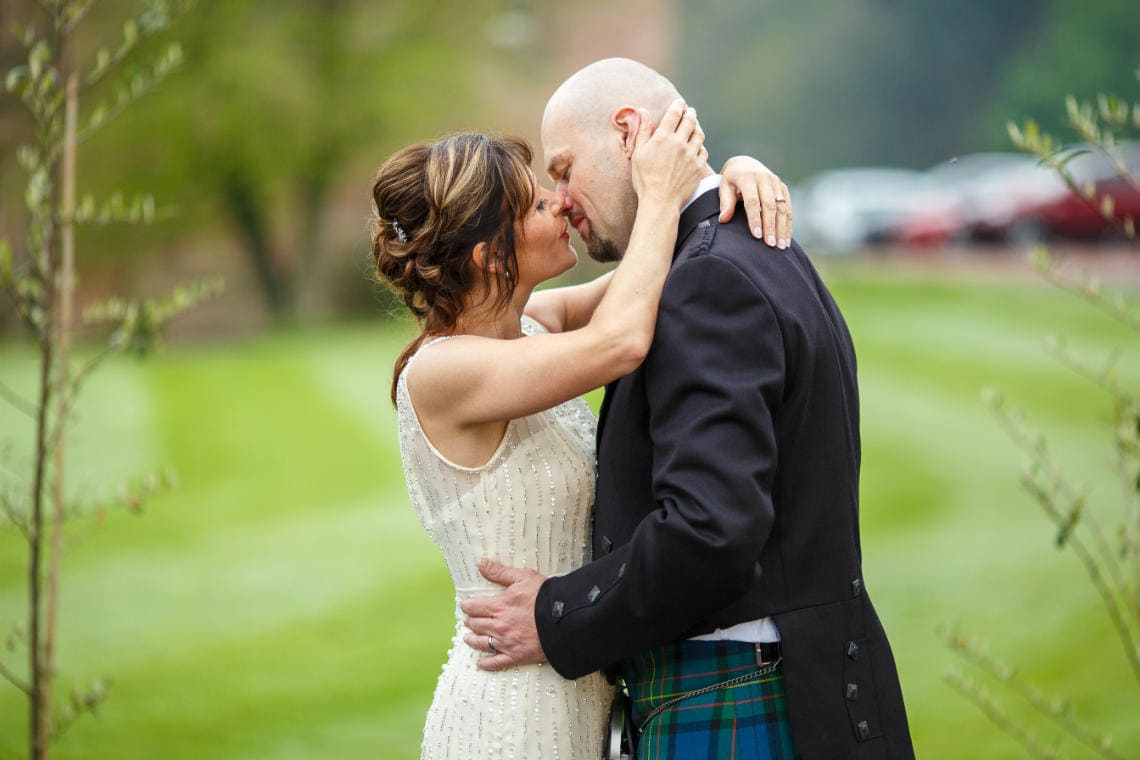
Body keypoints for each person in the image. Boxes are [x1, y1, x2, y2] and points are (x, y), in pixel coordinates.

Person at [459, 58, 916, 759]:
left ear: (628, 132)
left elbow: (711, 531)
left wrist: (556, 615)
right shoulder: (745, 249)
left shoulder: (706, 279)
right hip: (779, 687)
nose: (562, 196)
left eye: (564, 168)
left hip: (734, 695)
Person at [371, 102, 792, 759]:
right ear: (488, 254)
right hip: (511, 717)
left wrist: (728, 179)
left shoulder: (531, 325)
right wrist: (659, 191)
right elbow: (621, 340)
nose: (563, 206)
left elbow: (656, 270)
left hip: (576, 687)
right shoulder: (444, 371)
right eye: (539, 207)